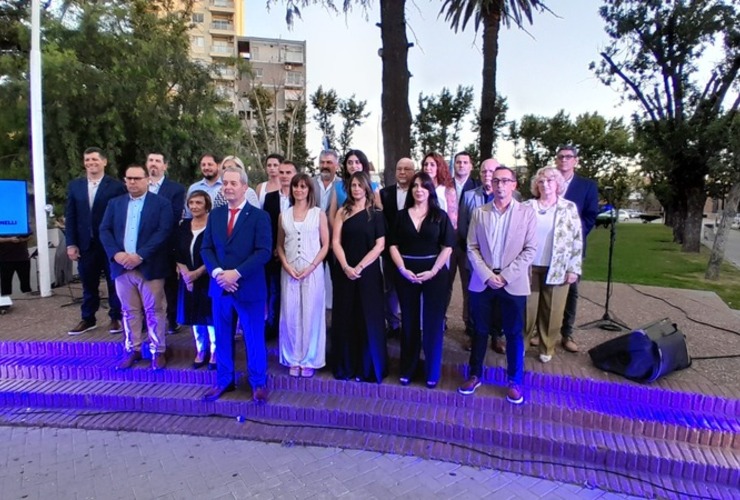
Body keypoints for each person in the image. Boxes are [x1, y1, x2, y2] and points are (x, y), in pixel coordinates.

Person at [459, 166, 536, 405]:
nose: (500, 185)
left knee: (513, 333)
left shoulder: (527, 213)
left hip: (512, 284)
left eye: (505, 181)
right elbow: (471, 247)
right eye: (496, 181)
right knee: (479, 331)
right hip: (483, 283)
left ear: (514, 185)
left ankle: (514, 380)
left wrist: (505, 276)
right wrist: (486, 274)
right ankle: (475, 375)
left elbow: (530, 249)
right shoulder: (480, 213)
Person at [200, 167, 271, 403]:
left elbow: (264, 252)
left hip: (249, 288)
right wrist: (220, 273)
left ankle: (258, 384)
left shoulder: (259, 217)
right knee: (221, 337)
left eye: (233, 183)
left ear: (244, 187)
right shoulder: (216, 215)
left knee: (253, 338)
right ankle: (224, 381)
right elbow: (206, 248)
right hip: (220, 287)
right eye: (225, 183)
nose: (228, 187)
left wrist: (237, 274)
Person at [99, 165, 175, 370]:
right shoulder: (115, 204)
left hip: (150, 267)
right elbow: (104, 230)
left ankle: (158, 351)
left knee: (155, 310)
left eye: (137, 178)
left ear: (147, 179)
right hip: (122, 267)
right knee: (129, 311)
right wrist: (117, 254)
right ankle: (133, 349)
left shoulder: (161, 204)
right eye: (129, 178)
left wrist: (140, 255)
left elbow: (164, 232)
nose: (132, 182)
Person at [389, 172, 454, 388]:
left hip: (434, 273)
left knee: (433, 322)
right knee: (409, 321)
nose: (418, 189)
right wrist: (402, 269)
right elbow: (392, 245)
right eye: (415, 186)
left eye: (423, 186)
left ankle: (432, 371)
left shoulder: (440, 215)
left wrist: (434, 270)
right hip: (406, 272)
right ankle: (408, 368)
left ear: (430, 190)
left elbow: (448, 247)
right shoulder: (400, 216)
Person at [332, 171, 387, 382]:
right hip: (345, 272)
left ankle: (368, 368)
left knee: (368, 318)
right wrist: (346, 266)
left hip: (368, 272)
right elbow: (335, 242)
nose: (356, 189)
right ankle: (346, 366)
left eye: (359, 185)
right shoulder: (342, 212)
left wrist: (360, 266)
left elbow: (380, 245)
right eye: (352, 185)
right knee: (346, 316)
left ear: (366, 188)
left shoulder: (377, 213)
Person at [65, 147, 126, 336]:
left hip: (109, 244)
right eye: (87, 160)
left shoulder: (115, 186)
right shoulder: (75, 186)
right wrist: (71, 243)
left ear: (104, 162)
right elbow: (71, 216)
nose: (91, 163)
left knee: (113, 281)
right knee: (88, 283)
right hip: (85, 244)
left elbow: (120, 217)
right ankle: (88, 318)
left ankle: (115, 317)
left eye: (94, 160)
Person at [523, 167, 582, 363]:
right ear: (536, 185)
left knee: (553, 311)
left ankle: (547, 348)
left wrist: (573, 268)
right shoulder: (526, 206)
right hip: (529, 267)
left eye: (550, 180)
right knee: (526, 310)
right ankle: (520, 345)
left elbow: (576, 239)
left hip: (557, 267)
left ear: (558, 184)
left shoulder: (568, 207)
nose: (545, 184)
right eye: (541, 181)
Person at [276, 173, 329, 378]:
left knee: (311, 313)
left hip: (312, 270)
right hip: (289, 270)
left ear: (309, 190)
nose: (299, 190)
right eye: (295, 187)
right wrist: (286, 264)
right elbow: (280, 245)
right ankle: (293, 357)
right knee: (290, 313)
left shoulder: (318, 214)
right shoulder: (284, 215)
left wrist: (312, 266)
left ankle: (310, 358)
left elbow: (325, 245)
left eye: (303, 187)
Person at [554, 145, 599, 353]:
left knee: (570, 290)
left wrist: (573, 237)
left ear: (576, 161)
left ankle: (567, 333)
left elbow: (590, 216)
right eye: (560, 157)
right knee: (544, 288)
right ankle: (540, 330)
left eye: (568, 157)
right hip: (548, 246)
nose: (564, 160)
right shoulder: (549, 181)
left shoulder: (587, 186)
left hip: (572, 246)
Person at [457, 158, 505, 353]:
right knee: (474, 298)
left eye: (491, 171)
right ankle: (473, 334)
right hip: (475, 259)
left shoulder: (513, 196)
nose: (487, 175)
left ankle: (497, 336)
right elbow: (462, 227)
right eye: (484, 171)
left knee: (498, 299)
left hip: (501, 261)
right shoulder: (469, 196)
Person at [145, 151, 186, 334]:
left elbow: (174, 215)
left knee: (170, 285)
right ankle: (147, 320)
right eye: (151, 160)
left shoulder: (175, 189)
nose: (154, 164)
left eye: (158, 161)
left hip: (166, 244)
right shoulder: (139, 185)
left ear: (165, 166)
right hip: (141, 247)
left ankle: (172, 319)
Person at [175, 190, 215, 369]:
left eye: (198, 203)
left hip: (208, 277)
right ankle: (201, 350)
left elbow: (216, 253)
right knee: (194, 317)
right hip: (187, 279)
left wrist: (197, 273)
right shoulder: (183, 226)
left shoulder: (213, 225)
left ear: (207, 205)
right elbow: (175, 251)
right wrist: (185, 273)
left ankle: (215, 351)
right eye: (191, 203)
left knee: (210, 317)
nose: (194, 206)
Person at [379, 158, 415, 338]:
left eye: (406, 169)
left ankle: (409, 326)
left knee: (409, 289)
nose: (402, 172)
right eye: (399, 168)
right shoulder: (384, 194)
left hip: (412, 251)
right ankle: (393, 324)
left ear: (413, 172)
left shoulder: (418, 193)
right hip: (389, 250)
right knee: (389, 288)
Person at [263, 160, 298, 340]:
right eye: (282, 172)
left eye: (288, 172)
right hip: (274, 253)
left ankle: (292, 327)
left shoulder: (301, 197)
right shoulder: (269, 198)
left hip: (296, 252)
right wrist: (275, 248)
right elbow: (267, 226)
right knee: (274, 291)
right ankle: (273, 326)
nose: (284, 176)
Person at [449, 151, 481, 336]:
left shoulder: (476, 186)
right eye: (458, 162)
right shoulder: (446, 185)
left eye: (465, 162)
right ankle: (441, 320)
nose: (461, 165)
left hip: (468, 246)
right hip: (448, 245)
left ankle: (469, 324)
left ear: (471, 165)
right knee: (445, 285)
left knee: (469, 287)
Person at [328, 149, 380, 224]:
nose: (353, 166)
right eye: (350, 163)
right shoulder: (338, 186)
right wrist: (339, 232)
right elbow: (332, 216)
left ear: (363, 164)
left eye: (357, 162)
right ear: (346, 165)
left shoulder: (374, 187)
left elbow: (379, 212)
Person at [183, 153, 222, 218]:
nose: (206, 168)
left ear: (218, 166)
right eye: (203, 165)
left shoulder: (225, 187)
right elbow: (188, 214)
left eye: (210, 164)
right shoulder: (194, 188)